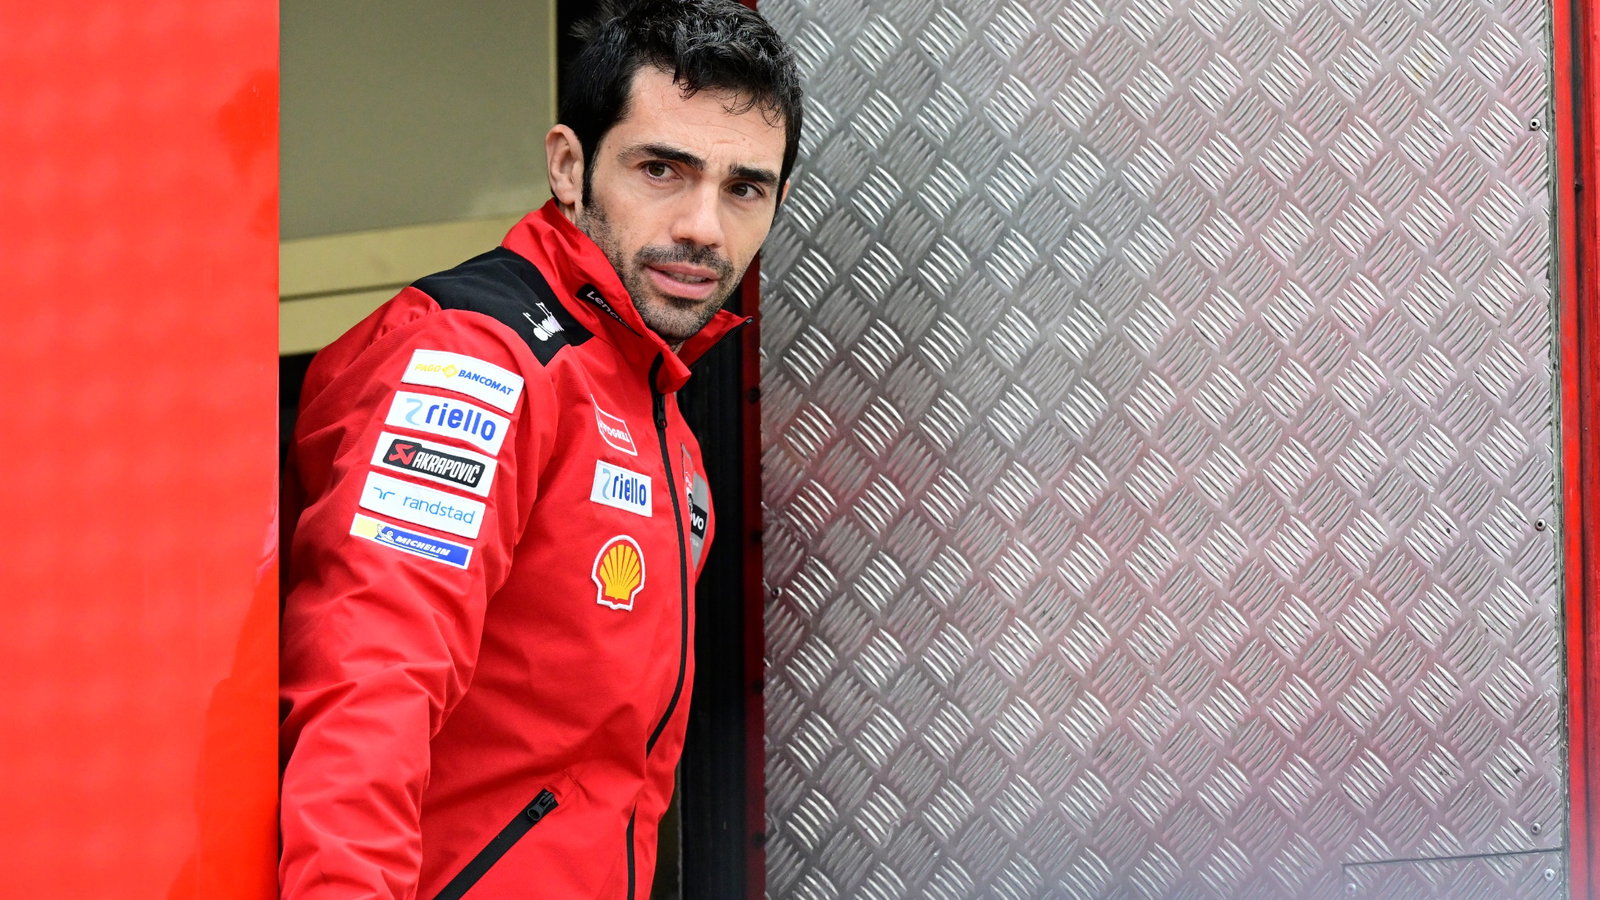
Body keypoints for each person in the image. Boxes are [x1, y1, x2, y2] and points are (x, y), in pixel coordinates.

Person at [277, 2, 802, 897]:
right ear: (568, 166)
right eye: (661, 170)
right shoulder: (480, 363)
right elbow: (371, 688)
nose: (703, 227)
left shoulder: (657, 410)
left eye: (743, 189)